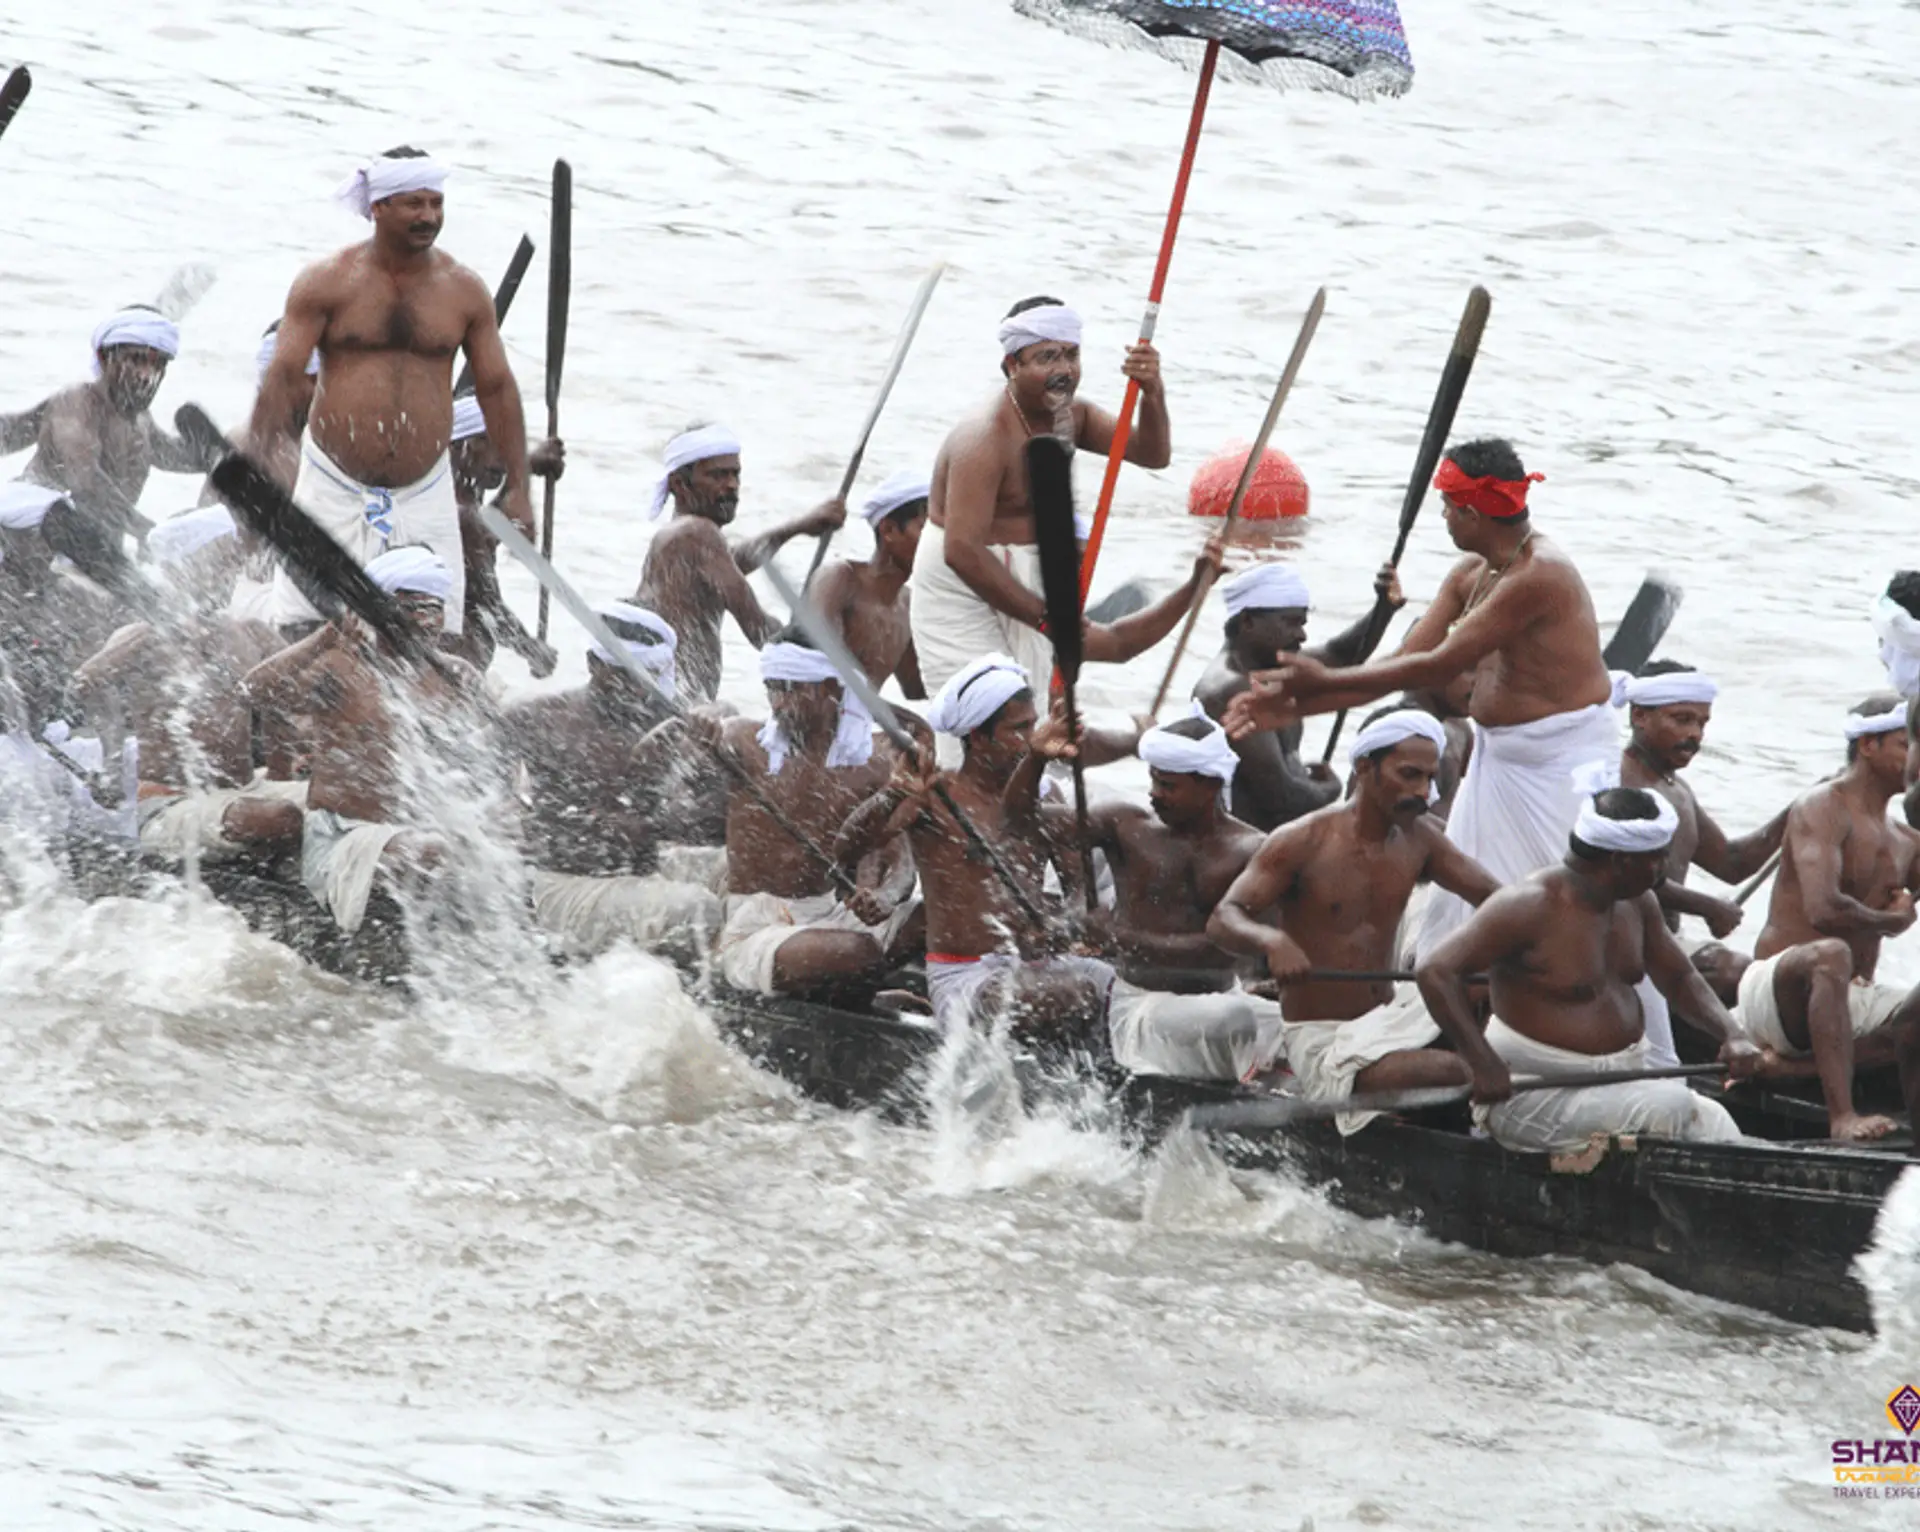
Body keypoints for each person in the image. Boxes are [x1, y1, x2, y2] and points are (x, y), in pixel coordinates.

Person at [1225, 438, 1617, 962]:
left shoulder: (1539, 575)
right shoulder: (1470, 574)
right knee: (1471, 911)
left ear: (1472, 513)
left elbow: (1439, 665)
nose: (1444, 517)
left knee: (1571, 905)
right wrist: (1298, 705)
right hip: (1500, 758)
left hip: (1560, 763)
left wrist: (1319, 681)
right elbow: (1401, 663)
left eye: (1448, 507)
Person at [249, 147, 535, 639]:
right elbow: (284, 376)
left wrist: (520, 489)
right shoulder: (325, 282)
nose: (429, 217)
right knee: (304, 626)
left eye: (436, 203)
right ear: (378, 206)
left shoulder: (464, 290)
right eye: (414, 204)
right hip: (333, 482)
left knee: (437, 632)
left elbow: (497, 388)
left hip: (424, 489)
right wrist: (255, 470)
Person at [1417, 786, 1757, 1153]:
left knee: (1716, 1119)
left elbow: (1680, 978)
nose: (1664, 868)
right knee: (1672, 1107)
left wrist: (1732, 1033)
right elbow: (1435, 972)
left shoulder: (1639, 903)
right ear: (1620, 861)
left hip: (1622, 1084)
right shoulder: (1526, 905)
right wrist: (1481, 1061)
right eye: (1658, 857)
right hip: (1532, 1093)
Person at [1208, 708, 1501, 1131]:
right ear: (1365, 767)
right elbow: (1223, 918)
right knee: (1453, 1071)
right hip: (1325, 1038)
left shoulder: (1422, 838)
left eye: (1429, 778)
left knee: (1485, 1001)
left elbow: (1497, 900)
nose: (1424, 792)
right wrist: (1272, 943)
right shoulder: (1301, 839)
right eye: (1409, 775)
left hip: (1389, 1021)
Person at [836, 654, 1110, 1033]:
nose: (1034, 739)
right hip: (965, 977)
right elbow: (847, 849)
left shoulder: (1047, 798)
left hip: (1036, 967)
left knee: (1121, 986)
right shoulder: (934, 797)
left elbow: (1080, 890)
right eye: (1019, 729)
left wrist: (1062, 927)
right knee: (1067, 996)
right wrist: (892, 793)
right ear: (979, 737)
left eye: (1034, 724)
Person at [910, 295, 1170, 696]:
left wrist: (1152, 392)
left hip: (1029, 575)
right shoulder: (984, 438)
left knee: (1033, 710)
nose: (1064, 370)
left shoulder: (1074, 417)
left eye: (1071, 355)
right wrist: (1046, 617)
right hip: (963, 583)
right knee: (980, 708)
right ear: (1012, 365)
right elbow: (961, 550)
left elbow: (1152, 454)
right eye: (1047, 357)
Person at [242, 546, 479, 932]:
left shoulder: (457, 675)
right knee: (435, 852)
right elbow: (252, 693)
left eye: (434, 608)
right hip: (346, 834)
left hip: (427, 828)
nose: (425, 620)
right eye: (411, 608)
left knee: (489, 845)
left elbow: (493, 754)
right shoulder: (339, 666)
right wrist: (326, 637)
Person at [1725, 698, 1920, 1140]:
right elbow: (1823, 910)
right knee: (1832, 954)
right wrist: (1890, 922)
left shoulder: (1907, 838)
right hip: (1779, 993)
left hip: (1853, 998)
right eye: (1905, 743)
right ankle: (1842, 1117)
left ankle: (1789, 1071)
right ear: (1867, 746)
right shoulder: (1822, 806)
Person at [685, 631, 915, 995]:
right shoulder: (743, 740)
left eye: (790, 689)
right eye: (771, 688)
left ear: (830, 688)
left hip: (828, 915)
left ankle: (849, 981)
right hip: (756, 926)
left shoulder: (872, 763)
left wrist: (886, 897)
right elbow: (682, 773)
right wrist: (699, 726)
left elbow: (902, 862)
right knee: (857, 953)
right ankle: (862, 987)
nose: (777, 703)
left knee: (934, 920)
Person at [73, 506, 302, 866]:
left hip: (245, 790)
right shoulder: (143, 636)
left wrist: (282, 771)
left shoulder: (250, 632)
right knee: (281, 817)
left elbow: (299, 699)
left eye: (233, 560)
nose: (235, 570)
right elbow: (85, 683)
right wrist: (112, 760)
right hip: (170, 801)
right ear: (185, 566)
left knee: (341, 802)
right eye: (223, 560)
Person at [502, 603, 721, 958]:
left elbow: (721, 818)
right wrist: (513, 826)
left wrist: (652, 825)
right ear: (593, 663)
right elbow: (476, 786)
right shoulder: (537, 717)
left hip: (642, 875)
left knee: (737, 867)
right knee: (697, 906)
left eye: (647, 676)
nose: (636, 688)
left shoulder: (672, 723)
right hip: (567, 884)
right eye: (624, 674)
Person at [1076, 709, 1276, 1078]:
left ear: (1210, 785)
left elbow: (1216, 952)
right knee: (1233, 1018)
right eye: (1153, 780)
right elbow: (1023, 823)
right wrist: (1038, 758)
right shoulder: (1126, 823)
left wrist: (1115, 937)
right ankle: (1240, 1076)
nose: (1154, 794)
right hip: (1145, 1006)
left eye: (1168, 785)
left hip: (1222, 997)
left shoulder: (1253, 847)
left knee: (1296, 1024)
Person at [0, 305, 212, 589]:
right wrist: (144, 529)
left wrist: (220, 452)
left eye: (158, 364)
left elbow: (181, 458)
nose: (147, 375)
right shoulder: (76, 403)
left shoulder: (142, 421)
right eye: (136, 360)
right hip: (42, 551)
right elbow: (86, 481)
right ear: (104, 357)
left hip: (99, 562)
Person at [632, 424, 846, 701]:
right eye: (717, 475)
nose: (732, 485)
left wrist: (798, 527)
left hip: (668, 696)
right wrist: (815, 652)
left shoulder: (684, 537)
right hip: (677, 700)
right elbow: (759, 629)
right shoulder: (697, 533)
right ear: (679, 484)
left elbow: (735, 562)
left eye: (735, 474)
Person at [1194, 560, 1405, 831]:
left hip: (1270, 835)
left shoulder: (1269, 667)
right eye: (1291, 623)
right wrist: (1329, 790)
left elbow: (1340, 656)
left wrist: (1383, 610)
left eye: (1303, 623)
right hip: (1241, 843)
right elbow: (1280, 797)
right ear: (1247, 621)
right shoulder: (1230, 688)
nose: (1302, 635)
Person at [445, 392, 562, 674]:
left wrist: (524, 470)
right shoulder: (463, 516)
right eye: (489, 442)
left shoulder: (449, 500)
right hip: (457, 674)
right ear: (460, 446)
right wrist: (531, 650)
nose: (503, 457)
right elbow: (489, 608)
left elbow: (485, 535)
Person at [808, 468, 929, 695]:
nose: (937, 542)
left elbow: (915, 688)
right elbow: (819, 666)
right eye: (926, 528)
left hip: (862, 716)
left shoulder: (908, 604)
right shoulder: (839, 578)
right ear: (889, 530)